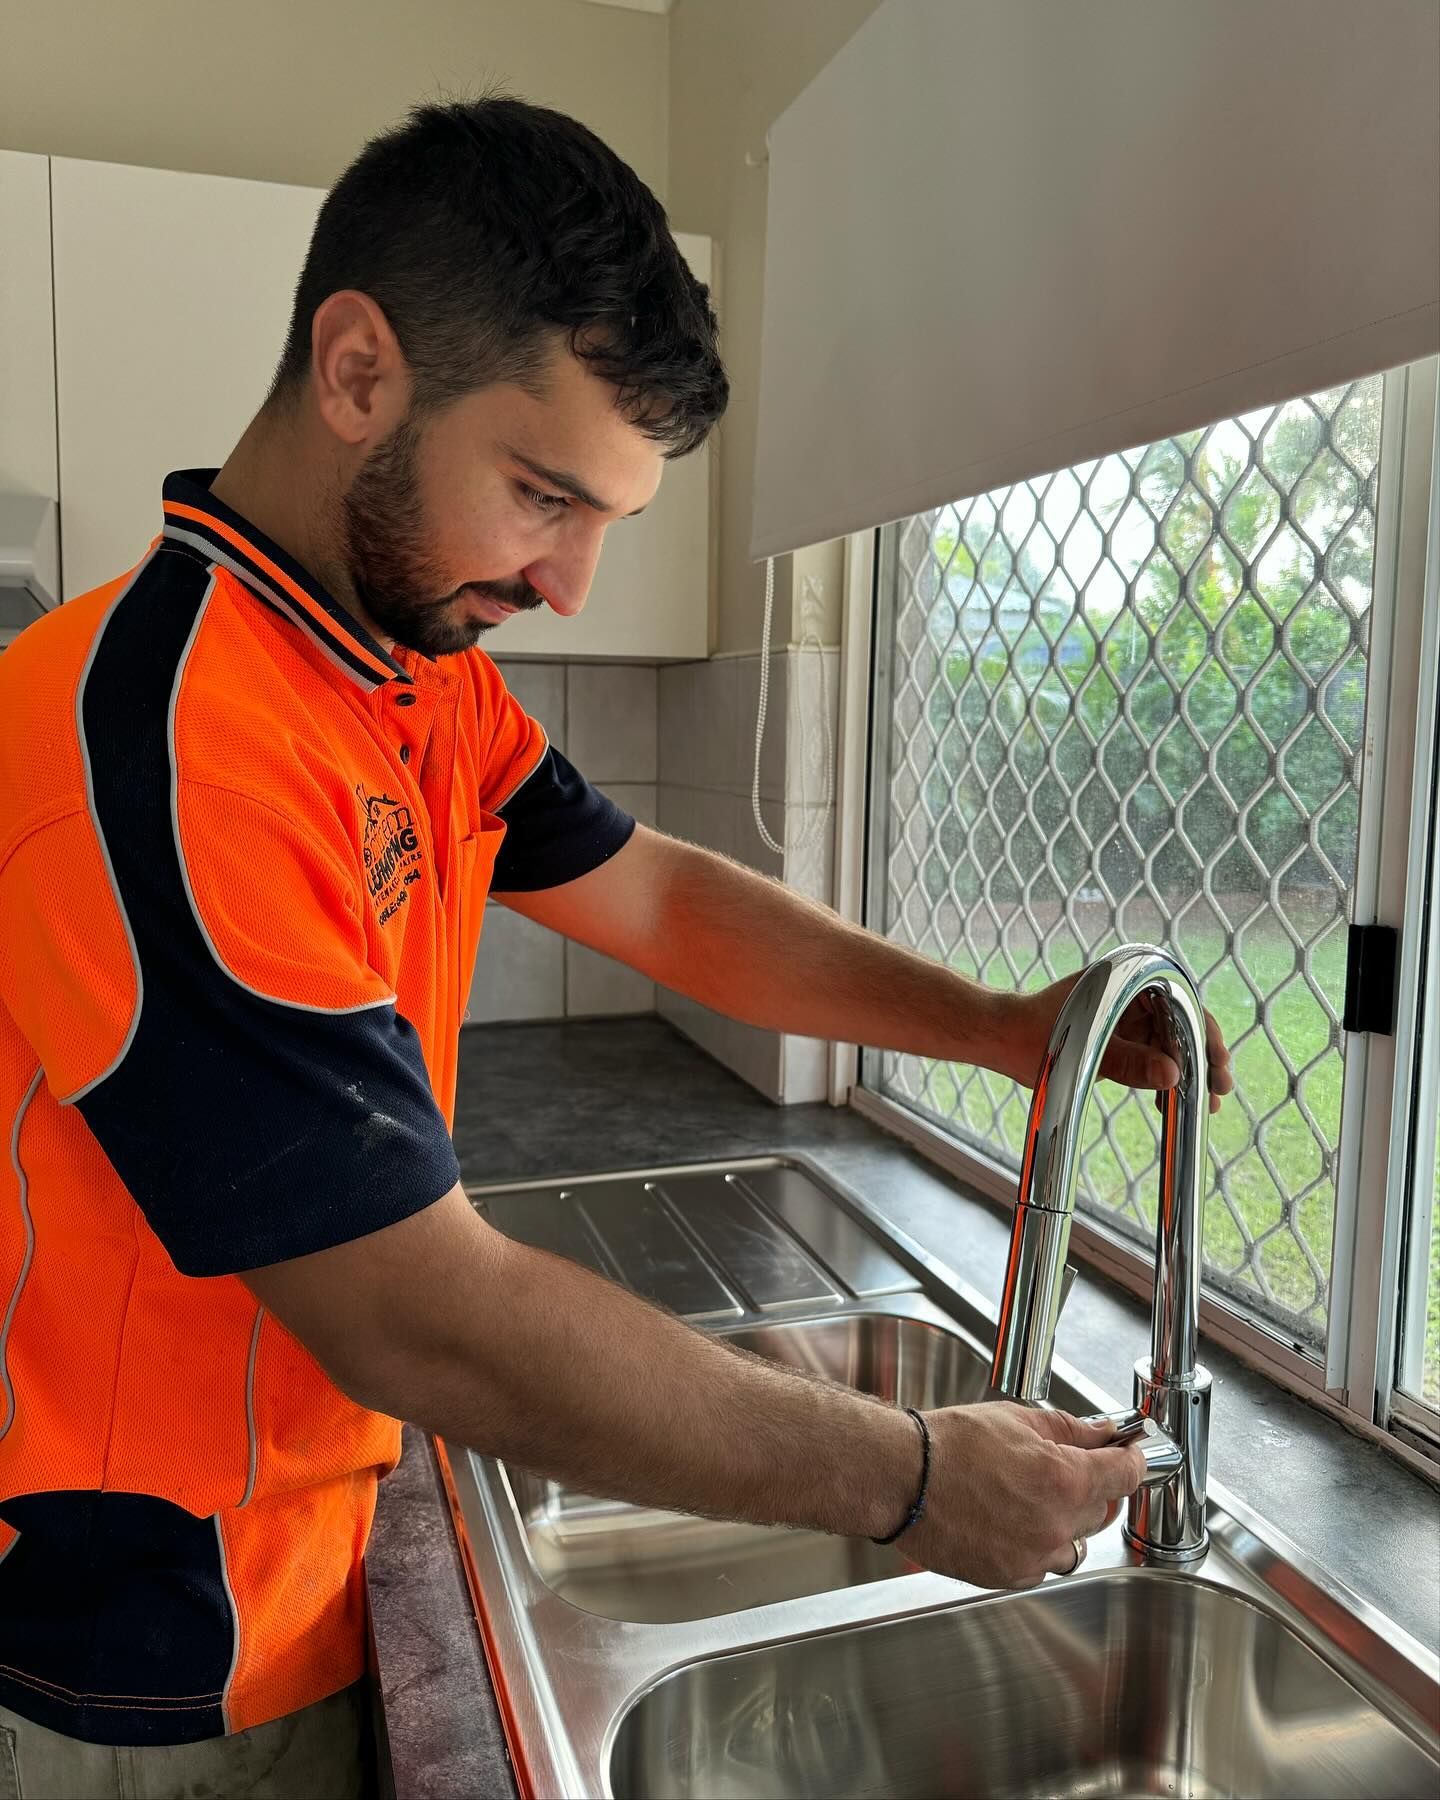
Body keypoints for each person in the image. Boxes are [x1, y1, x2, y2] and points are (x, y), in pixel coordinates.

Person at [0, 95, 1232, 1799]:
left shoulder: (399, 663)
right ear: (357, 371)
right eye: (539, 495)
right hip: (135, 1655)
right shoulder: (163, 741)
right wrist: (910, 1477)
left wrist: (1002, 1027)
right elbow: (419, 1313)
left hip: (302, 1554)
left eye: (608, 524)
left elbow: (645, 890)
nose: (572, 582)